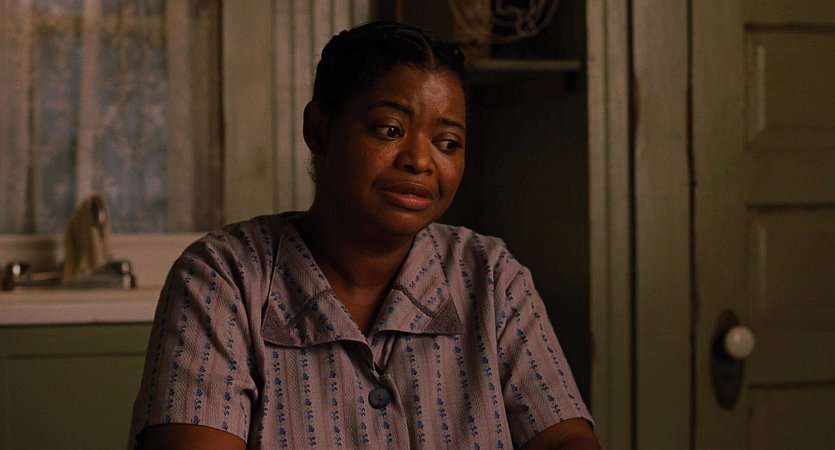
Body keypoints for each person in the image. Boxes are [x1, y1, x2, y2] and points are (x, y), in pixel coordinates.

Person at [128, 21, 600, 450]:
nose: (420, 161)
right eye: (389, 130)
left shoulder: (492, 276)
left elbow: (566, 438)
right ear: (319, 130)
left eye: (448, 143)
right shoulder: (223, 278)